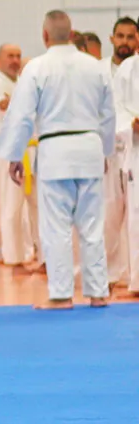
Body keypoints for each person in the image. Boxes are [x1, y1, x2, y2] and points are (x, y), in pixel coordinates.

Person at [0, 10, 114, 310]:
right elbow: (108, 114)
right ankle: (98, 292)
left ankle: (61, 295)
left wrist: (14, 155)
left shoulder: (36, 68)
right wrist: (106, 151)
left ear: (45, 35)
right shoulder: (96, 67)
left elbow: (21, 115)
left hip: (56, 151)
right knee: (92, 225)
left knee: (56, 226)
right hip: (89, 148)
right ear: (72, 34)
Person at [0, 44, 40, 271]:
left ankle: (37, 254)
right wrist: (21, 103)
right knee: (10, 207)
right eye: (10, 56)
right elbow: (6, 112)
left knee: (36, 206)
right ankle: (13, 257)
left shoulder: (20, 82)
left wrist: (16, 102)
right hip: (7, 151)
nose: (15, 61)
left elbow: (19, 108)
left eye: (18, 56)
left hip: (31, 149)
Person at [103, 18, 137, 291]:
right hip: (110, 149)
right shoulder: (101, 70)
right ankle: (109, 275)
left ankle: (133, 276)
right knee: (109, 214)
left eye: (130, 37)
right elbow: (111, 109)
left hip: (132, 148)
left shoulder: (130, 68)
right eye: (120, 36)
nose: (125, 42)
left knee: (135, 216)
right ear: (112, 38)